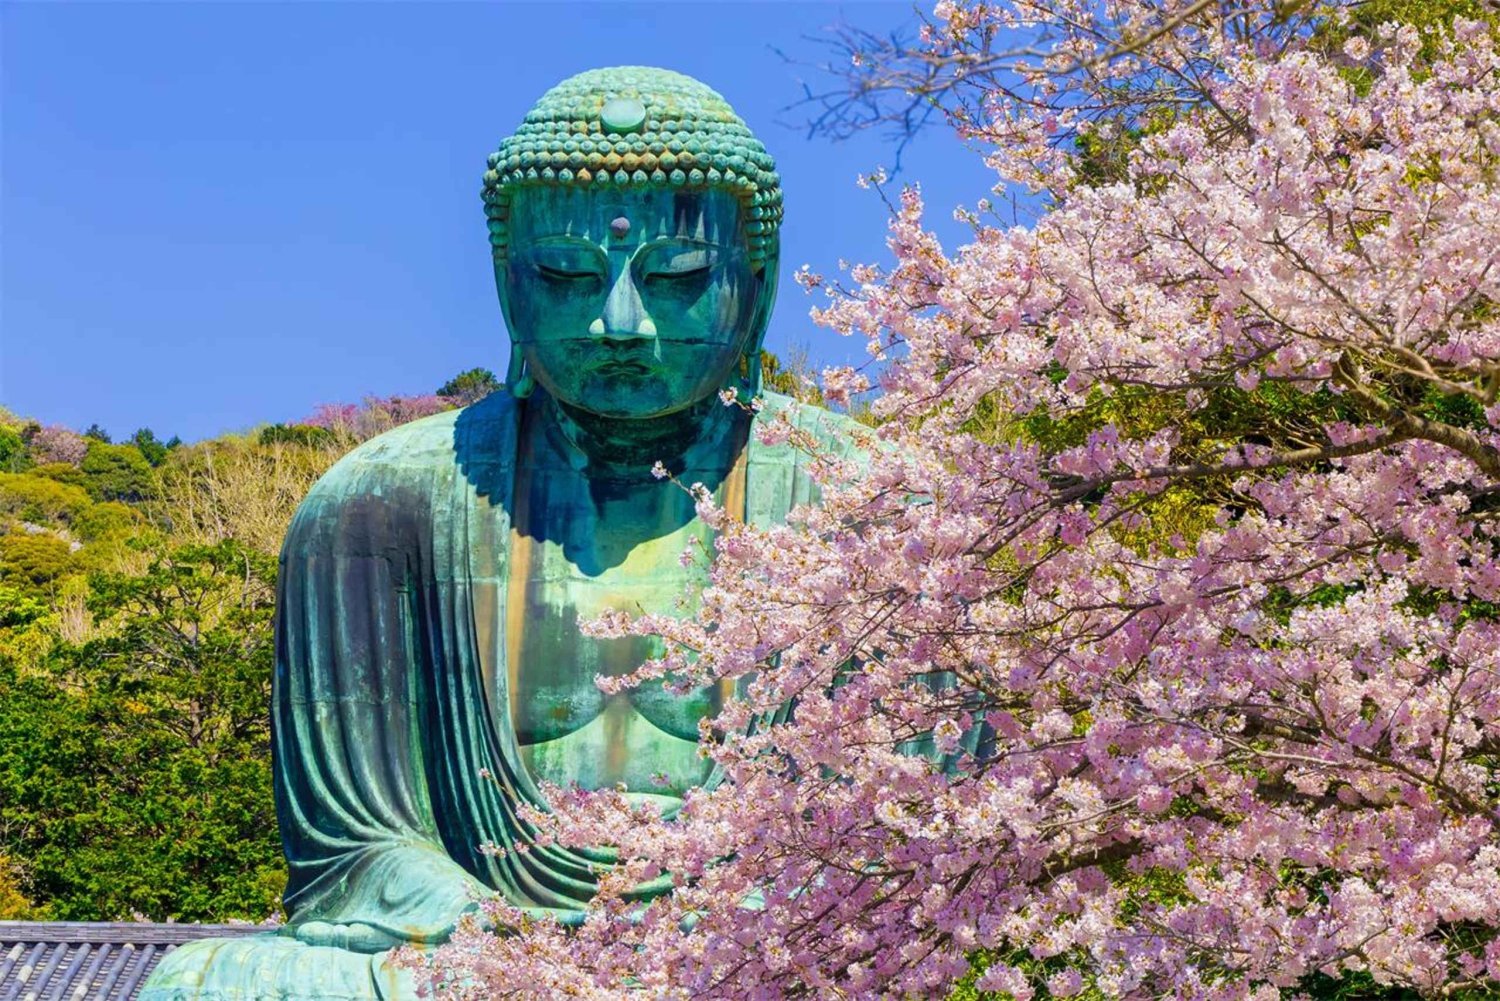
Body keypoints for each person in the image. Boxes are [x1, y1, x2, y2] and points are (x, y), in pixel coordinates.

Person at [141, 66, 858, 1000]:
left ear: (754, 289)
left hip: (781, 952)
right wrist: (509, 948)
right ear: (504, 283)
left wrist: (727, 934)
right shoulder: (378, 502)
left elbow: (918, 835)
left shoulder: (870, 502)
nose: (620, 323)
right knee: (207, 985)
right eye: (565, 274)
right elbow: (354, 849)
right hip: (473, 952)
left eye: (679, 277)